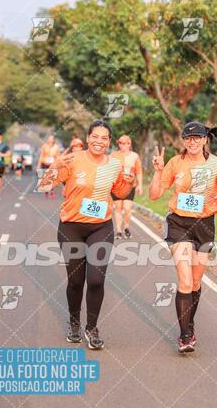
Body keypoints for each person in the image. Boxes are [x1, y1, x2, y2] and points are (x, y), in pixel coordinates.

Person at [37, 120, 135, 349]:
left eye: (104, 138)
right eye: (95, 136)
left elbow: (120, 192)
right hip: (71, 226)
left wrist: (129, 183)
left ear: (109, 142)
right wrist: (55, 164)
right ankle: (74, 322)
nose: (99, 141)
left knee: (96, 279)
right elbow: (44, 186)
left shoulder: (113, 165)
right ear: (88, 137)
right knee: (75, 280)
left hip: (101, 227)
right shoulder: (73, 159)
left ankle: (91, 327)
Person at [149, 121, 217, 354]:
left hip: (205, 225)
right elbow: (154, 194)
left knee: (196, 283)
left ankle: (188, 322)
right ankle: (185, 336)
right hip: (179, 223)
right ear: (183, 140)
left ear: (205, 139)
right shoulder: (175, 163)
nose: (193, 142)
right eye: (188, 138)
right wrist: (158, 171)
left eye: (197, 138)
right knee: (185, 281)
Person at [111, 135, 143, 239]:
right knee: (118, 208)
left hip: (130, 186)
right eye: (121, 143)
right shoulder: (114, 155)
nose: (123, 145)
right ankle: (119, 230)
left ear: (130, 144)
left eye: (126, 143)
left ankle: (126, 227)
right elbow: (109, 170)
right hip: (116, 187)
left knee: (127, 208)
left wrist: (140, 185)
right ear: (118, 144)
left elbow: (139, 171)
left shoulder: (134, 156)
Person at [37, 135, 61, 199]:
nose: (50, 140)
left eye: (51, 139)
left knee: (52, 179)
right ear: (47, 139)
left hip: (53, 164)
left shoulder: (56, 147)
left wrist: (59, 164)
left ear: (53, 140)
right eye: (49, 139)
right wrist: (39, 165)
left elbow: (58, 156)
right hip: (45, 163)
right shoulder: (44, 146)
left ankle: (52, 191)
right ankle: (46, 191)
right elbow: (41, 155)